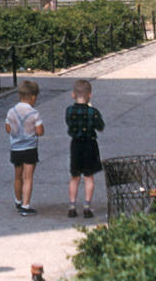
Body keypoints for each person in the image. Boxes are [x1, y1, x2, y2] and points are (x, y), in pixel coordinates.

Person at [64, 79, 103, 220]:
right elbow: (100, 126)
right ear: (90, 95)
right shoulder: (93, 112)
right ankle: (87, 205)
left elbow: (68, 122)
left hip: (76, 144)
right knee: (89, 176)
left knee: (74, 176)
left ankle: (72, 205)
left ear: (73, 95)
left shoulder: (69, 110)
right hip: (90, 145)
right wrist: (92, 110)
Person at [5, 80, 44, 215]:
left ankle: (18, 200)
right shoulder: (34, 113)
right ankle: (26, 206)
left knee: (17, 176)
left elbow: (8, 128)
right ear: (33, 97)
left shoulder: (11, 111)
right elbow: (39, 131)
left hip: (15, 148)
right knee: (28, 177)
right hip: (30, 148)